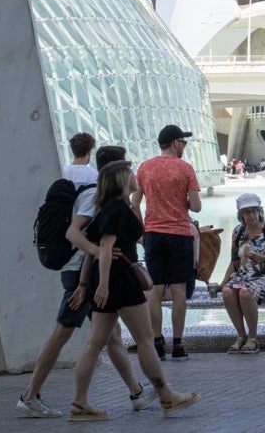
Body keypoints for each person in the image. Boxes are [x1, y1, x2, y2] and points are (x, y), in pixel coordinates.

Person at [16, 138, 153, 419]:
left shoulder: (103, 195)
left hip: (83, 274)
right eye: (129, 168)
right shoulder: (94, 197)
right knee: (63, 333)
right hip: (79, 274)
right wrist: (96, 257)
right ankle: (30, 396)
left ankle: (137, 392)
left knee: (109, 335)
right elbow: (74, 233)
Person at [69, 160, 199, 421]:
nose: (133, 175)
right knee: (144, 340)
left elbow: (93, 252)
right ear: (120, 179)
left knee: (95, 343)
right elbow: (105, 247)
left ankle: (79, 403)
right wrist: (103, 285)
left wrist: (86, 285)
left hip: (107, 279)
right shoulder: (117, 208)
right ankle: (166, 396)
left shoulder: (106, 207)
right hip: (120, 280)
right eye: (129, 172)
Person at [130, 124, 202, 361]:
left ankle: (158, 341)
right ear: (175, 143)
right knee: (179, 289)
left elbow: (135, 202)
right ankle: (178, 344)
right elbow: (196, 206)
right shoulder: (185, 169)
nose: (184, 146)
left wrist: (141, 232)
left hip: (153, 235)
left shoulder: (145, 168)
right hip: (180, 235)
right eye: (183, 142)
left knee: (156, 290)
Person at [210, 192, 265, 354]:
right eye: (247, 212)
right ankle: (241, 336)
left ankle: (253, 337)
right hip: (243, 277)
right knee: (227, 292)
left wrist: (263, 258)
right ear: (241, 215)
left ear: (260, 211)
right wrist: (223, 283)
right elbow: (235, 262)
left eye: (254, 211)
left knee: (245, 293)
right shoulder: (239, 232)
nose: (251, 215)